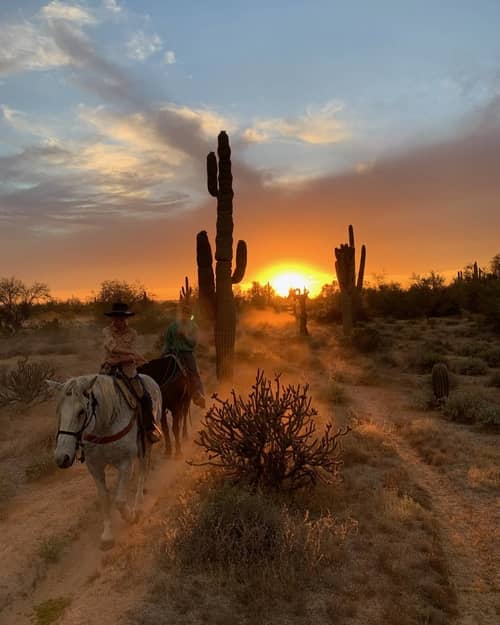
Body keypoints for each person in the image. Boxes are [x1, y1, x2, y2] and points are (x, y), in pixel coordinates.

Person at [101, 302, 160, 444]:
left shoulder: (133, 333)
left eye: (121, 319)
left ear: (126, 319)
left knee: (143, 396)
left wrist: (120, 359)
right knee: (95, 396)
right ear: (112, 319)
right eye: (116, 318)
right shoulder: (106, 331)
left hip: (128, 370)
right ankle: (89, 434)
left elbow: (127, 356)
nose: (118, 322)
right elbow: (112, 347)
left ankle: (149, 428)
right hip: (108, 369)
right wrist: (131, 354)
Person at [162, 302, 206, 408]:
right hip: (172, 352)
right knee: (162, 371)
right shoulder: (172, 326)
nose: (185, 315)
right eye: (183, 313)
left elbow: (193, 343)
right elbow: (168, 341)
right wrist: (164, 353)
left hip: (186, 353)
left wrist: (184, 336)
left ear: (190, 315)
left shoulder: (193, 327)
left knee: (193, 372)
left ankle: (199, 395)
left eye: (187, 313)